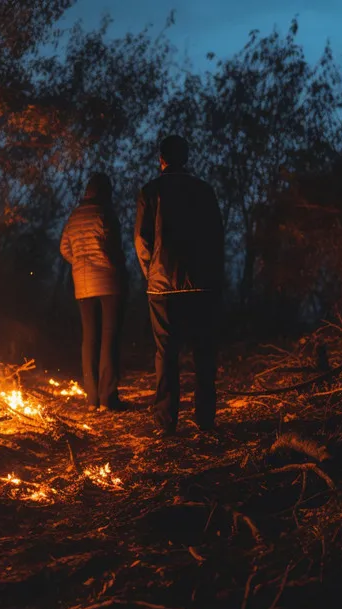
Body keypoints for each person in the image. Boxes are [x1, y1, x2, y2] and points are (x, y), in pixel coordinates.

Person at [135, 135, 224, 435]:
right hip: (202, 285)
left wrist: (150, 272)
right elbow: (216, 236)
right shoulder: (204, 190)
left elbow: (142, 240)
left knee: (166, 354)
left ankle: (166, 422)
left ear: (161, 158)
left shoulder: (150, 191)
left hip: (162, 287)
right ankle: (205, 419)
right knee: (203, 352)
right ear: (186, 158)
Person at [60, 172, 126, 411]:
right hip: (108, 281)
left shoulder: (75, 216)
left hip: (82, 283)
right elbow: (114, 247)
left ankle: (91, 400)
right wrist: (114, 265)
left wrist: (78, 262)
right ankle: (108, 398)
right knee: (109, 337)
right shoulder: (105, 213)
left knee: (89, 338)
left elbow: (64, 247)